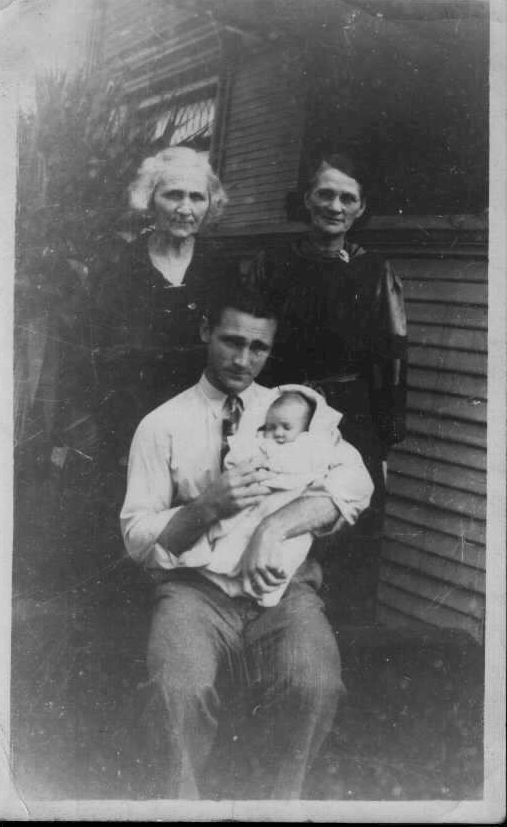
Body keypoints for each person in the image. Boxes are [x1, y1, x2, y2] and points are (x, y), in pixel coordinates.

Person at [120, 284, 374, 799]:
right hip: (195, 591)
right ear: (204, 332)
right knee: (178, 691)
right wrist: (206, 507)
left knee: (316, 685)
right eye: (231, 341)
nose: (243, 358)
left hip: (283, 588)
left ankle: (277, 806)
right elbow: (136, 535)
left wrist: (273, 527)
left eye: (258, 347)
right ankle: (181, 808)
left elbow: (354, 485)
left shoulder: (296, 412)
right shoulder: (163, 425)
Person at [262, 150, 408, 624]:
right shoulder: (274, 265)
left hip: (353, 417)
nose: (335, 205)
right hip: (284, 414)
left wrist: (383, 441)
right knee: (280, 521)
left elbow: (392, 357)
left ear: (361, 209)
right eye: (325, 193)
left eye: (348, 198)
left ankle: (350, 649)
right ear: (307, 199)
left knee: (353, 531)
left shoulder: (375, 271)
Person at [94, 146, 229, 465]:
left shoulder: (222, 269)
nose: (186, 208)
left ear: (210, 205)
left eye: (197, 197)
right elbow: (97, 358)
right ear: (149, 199)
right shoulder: (119, 269)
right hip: (132, 427)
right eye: (173, 195)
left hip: (203, 427)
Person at [179, 387, 371, 608]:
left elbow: (357, 483)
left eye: (286, 427)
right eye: (271, 427)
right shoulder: (258, 442)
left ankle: (264, 590)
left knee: (285, 553)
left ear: (307, 427)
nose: (278, 433)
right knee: (230, 536)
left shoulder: (319, 446)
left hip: (291, 504)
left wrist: (274, 527)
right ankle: (218, 574)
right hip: (254, 501)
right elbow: (235, 463)